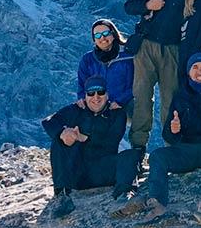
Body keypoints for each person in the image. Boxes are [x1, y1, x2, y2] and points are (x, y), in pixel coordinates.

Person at [126, 52, 201, 228]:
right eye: (195, 67)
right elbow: (168, 136)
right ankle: (157, 203)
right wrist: (174, 130)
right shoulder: (181, 94)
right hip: (186, 150)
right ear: (189, 72)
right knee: (158, 156)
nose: (200, 71)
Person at [124, 0, 201, 151]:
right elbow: (129, 6)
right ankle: (138, 148)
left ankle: (171, 147)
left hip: (174, 49)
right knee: (142, 97)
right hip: (147, 45)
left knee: (170, 100)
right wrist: (148, 6)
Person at [41, 75, 139, 218]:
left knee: (131, 155)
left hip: (102, 170)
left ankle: (125, 196)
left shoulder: (117, 114)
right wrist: (62, 132)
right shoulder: (76, 110)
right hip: (77, 174)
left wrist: (84, 138)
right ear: (85, 95)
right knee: (59, 141)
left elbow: (111, 142)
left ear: (107, 94)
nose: (96, 97)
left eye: (100, 92)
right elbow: (48, 121)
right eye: (91, 93)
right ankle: (62, 196)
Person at [76, 19, 134, 111]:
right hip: (98, 104)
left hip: (125, 103)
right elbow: (82, 85)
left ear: (113, 34)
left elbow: (135, 85)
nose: (102, 38)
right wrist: (82, 99)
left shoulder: (128, 57)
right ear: (94, 40)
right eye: (97, 35)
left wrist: (120, 101)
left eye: (106, 33)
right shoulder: (87, 59)